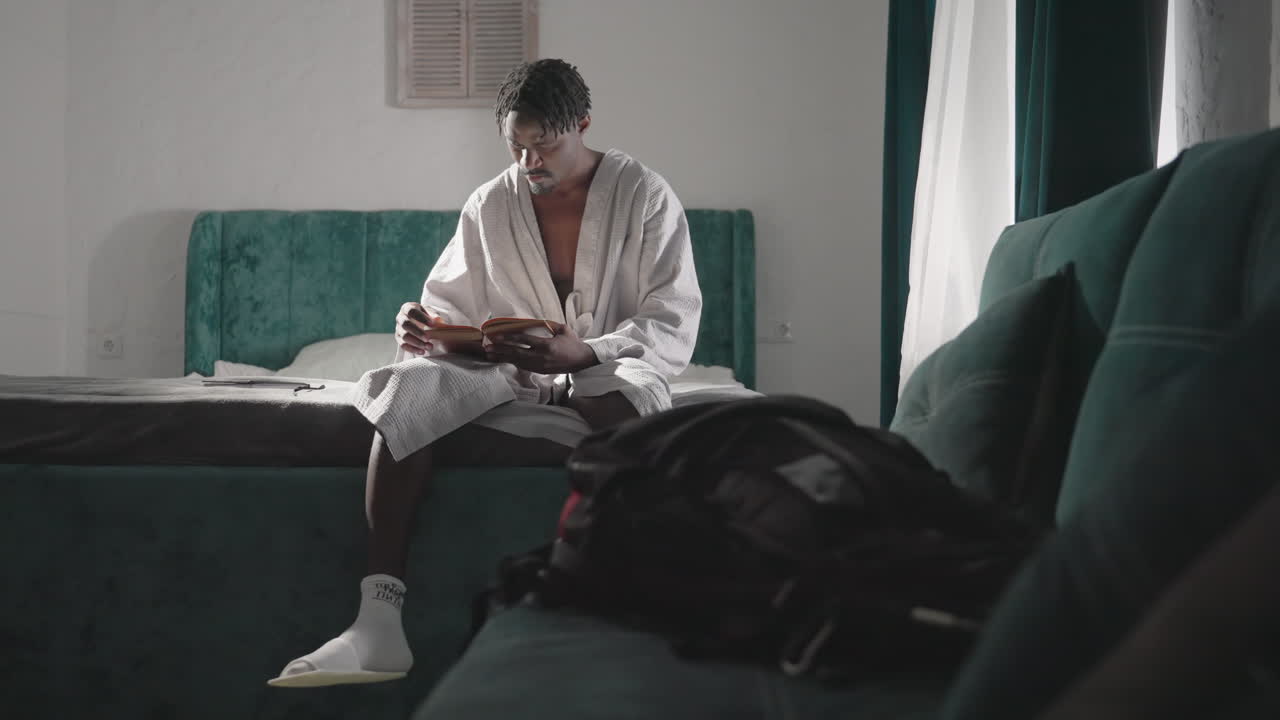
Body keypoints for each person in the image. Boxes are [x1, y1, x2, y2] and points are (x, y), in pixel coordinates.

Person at [268, 59, 703, 687]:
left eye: (544, 146)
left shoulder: (644, 196)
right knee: (409, 391)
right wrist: (421, 327)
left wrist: (585, 352)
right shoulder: (491, 203)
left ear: (582, 124)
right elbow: (450, 307)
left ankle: (628, 610)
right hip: (512, 370)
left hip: (612, 367)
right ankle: (377, 625)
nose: (529, 164)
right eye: (517, 147)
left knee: (621, 403)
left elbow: (670, 318)